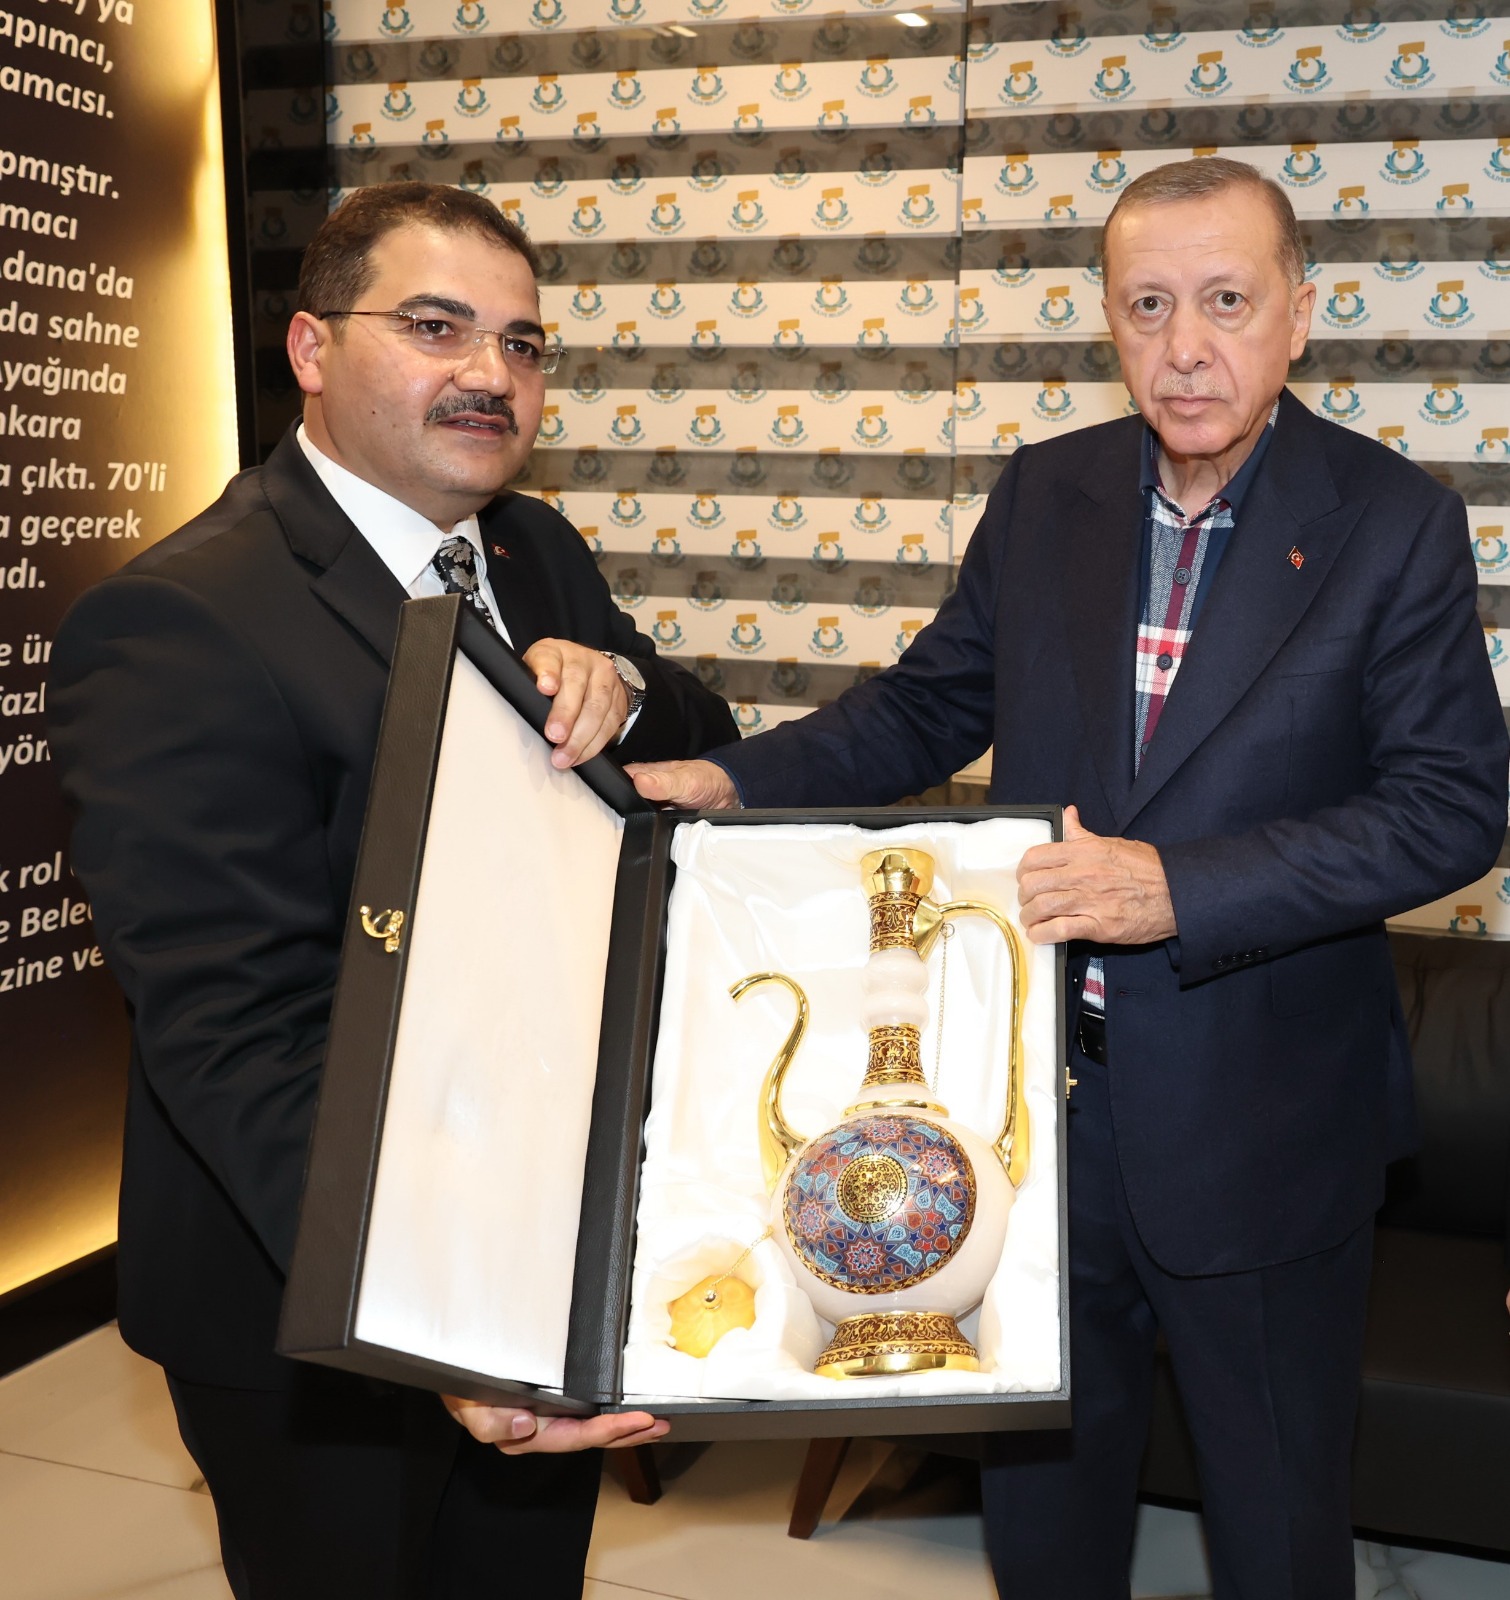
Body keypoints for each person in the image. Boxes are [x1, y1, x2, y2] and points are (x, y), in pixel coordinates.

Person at [628, 158, 1508, 1599]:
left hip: (1264, 1127)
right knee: (1040, 1522)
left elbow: (1447, 810)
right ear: (1107, 319)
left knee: (1278, 1528)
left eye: (1226, 302)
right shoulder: (1049, 493)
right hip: (1028, 1117)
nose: (1185, 347)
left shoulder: (1392, 518)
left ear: (1299, 313)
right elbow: (926, 706)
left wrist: (1181, 889)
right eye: (1148, 306)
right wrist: (736, 781)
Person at [47, 183, 737, 1599]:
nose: (491, 372)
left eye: (523, 343)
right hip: (312, 1290)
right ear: (310, 349)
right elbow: (236, 1028)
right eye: (435, 327)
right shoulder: (182, 620)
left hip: (532, 1223)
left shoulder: (532, 550)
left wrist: (622, 680)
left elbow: (694, 746)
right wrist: (430, 1315)